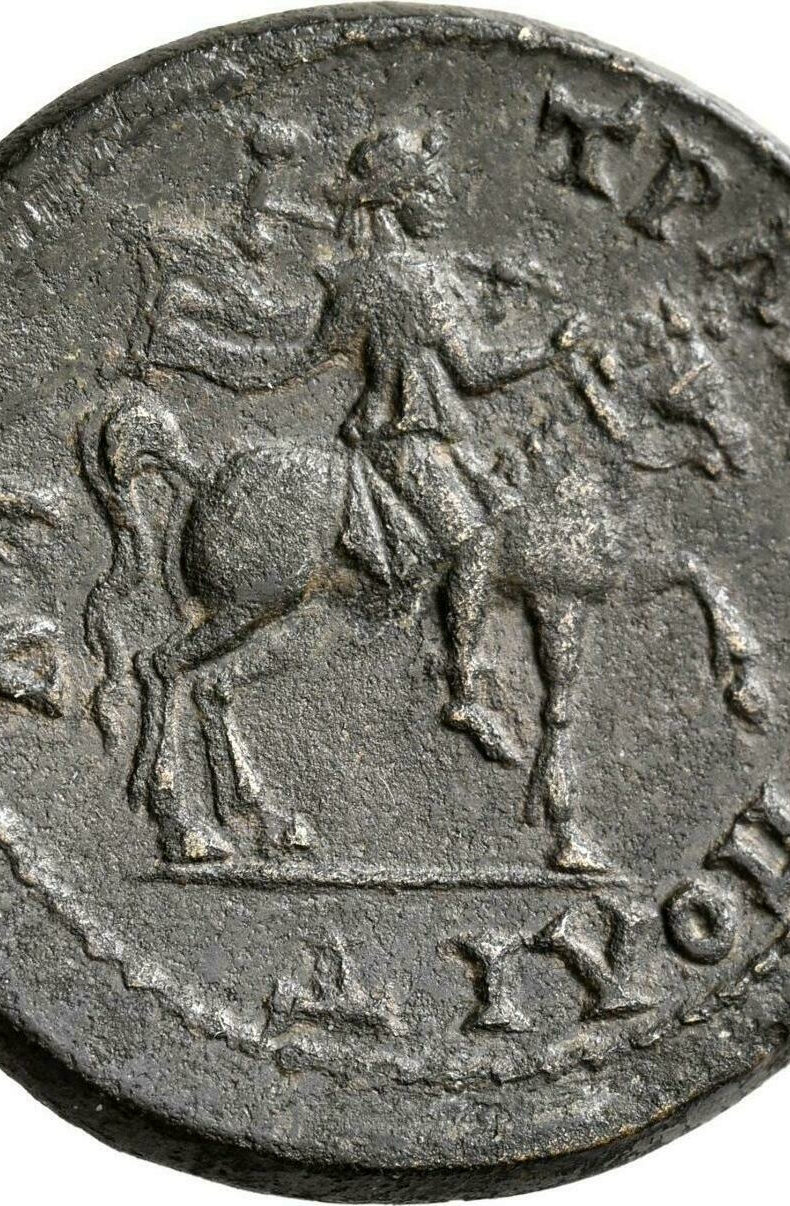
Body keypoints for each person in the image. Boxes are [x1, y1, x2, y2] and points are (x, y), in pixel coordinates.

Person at [147, 126, 583, 764]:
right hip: (411, 443)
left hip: (392, 440)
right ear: (394, 200)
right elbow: (474, 371)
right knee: (477, 544)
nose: (439, 201)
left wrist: (194, 350)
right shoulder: (421, 278)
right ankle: (463, 687)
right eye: (427, 190)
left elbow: (294, 361)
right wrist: (549, 350)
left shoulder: (354, 278)